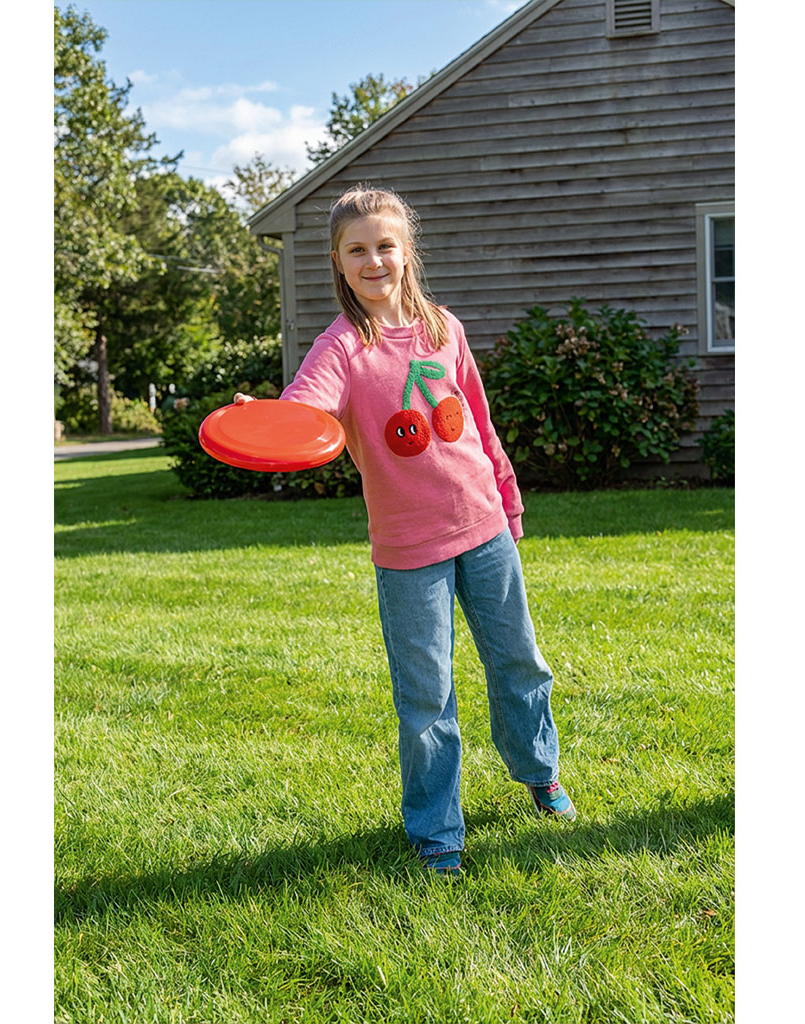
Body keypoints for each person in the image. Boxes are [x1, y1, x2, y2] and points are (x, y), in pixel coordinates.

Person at [234, 185, 575, 877]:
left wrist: (507, 502)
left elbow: (478, 423)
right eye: (357, 250)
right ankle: (436, 832)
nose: (374, 260)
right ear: (337, 260)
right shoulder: (341, 349)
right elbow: (307, 410)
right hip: (409, 552)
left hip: (484, 529)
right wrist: (265, 419)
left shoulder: (444, 329)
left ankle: (540, 773)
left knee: (519, 663)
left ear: (407, 250)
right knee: (426, 699)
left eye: (384, 245)